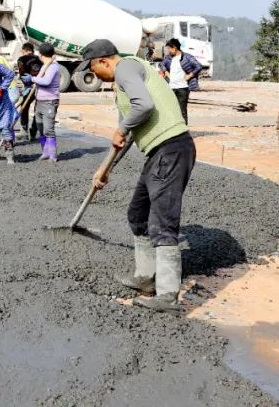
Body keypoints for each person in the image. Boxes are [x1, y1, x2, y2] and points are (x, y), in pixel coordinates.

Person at [77, 38, 196, 312]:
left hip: (172, 147)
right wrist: (105, 169)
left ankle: (167, 295)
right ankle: (146, 277)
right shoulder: (124, 79)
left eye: (95, 71)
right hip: (158, 152)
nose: (97, 77)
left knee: (162, 222)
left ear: (104, 61)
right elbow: (129, 134)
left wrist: (121, 126)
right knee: (137, 213)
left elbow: (143, 106)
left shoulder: (126, 68)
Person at [158, 38, 203, 124]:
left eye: (169, 49)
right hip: (171, 88)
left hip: (183, 88)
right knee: (171, 109)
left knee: (182, 111)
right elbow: (161, 64)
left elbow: (199, 66)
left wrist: (190, 75)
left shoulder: (187, 57)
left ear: (174, 48)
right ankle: (173, 130)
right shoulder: (168, 58)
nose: (168, 51)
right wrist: (167, 73)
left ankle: (184, 131)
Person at [31, 43, 62, 161]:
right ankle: (45, 151)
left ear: (40, 54)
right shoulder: (45, 65)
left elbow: (46, 81)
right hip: (40, 101)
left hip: (50, 101)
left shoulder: (53, 66)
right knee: (40, 125)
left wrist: (33, 79)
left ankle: (53, 154)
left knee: (48, 128)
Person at [16, 44, 43, 139]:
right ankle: (33, 131)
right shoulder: (40, 58)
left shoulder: (21, 59)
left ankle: (24, 130)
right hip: (41, 86)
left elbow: (22, 74)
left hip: (30, 87)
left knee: (24, 106)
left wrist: (29, 81)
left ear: (24, 50)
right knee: (38, 109)